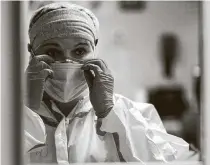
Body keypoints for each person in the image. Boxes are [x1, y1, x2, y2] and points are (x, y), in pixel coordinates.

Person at [24, 2, 189, 164]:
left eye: (79, 51)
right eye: (52, 52)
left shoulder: (135, 115)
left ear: (94, 51)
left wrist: (111, 114)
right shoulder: (8, 117)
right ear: (31, 53)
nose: (67, 61)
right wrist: (25, 111)